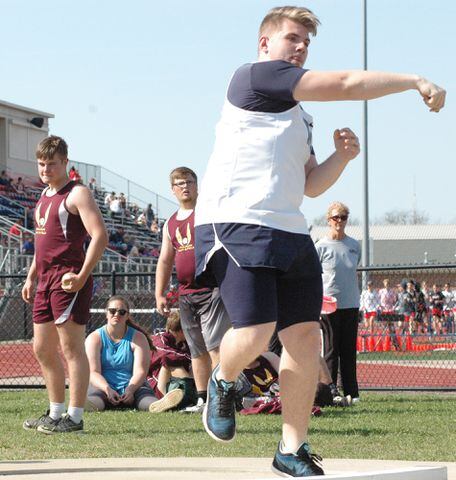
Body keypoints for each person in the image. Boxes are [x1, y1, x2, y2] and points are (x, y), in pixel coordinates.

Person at [193, 6, 444, 476]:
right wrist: (414, 80)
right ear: (265, 43)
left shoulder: (297, 116)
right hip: (237, 222)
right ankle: (225, 382)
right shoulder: (254, 77)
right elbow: (347, 84)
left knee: (305, 339)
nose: (301, 46)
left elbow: (310, 185)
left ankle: (291, 448)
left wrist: (342, 157)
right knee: (253, 332)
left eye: (307, 41)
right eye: (293, 38)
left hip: (289, 228)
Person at [22, 135, 108, 434]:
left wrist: (83, 275)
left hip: (68, 278)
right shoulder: (44, 196)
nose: (46, 169)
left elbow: (100, 235)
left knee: (71, 348)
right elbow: (41, 243)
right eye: (42, 164)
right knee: (42, 348)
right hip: (45, 280)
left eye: (52, 164)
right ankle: (55, 411)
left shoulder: (77, 193)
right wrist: (32, 276)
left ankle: (74, 417)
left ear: (65, 163)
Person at [155, 167, 231, 414]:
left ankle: (222, 398)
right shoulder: (171, 223)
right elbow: (165, 260)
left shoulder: (210, 212)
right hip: (186, 293)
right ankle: (203, 399)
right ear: (172, 189)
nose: (185, 186)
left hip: (213, 288)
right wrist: (160, 292)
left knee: (215, 347)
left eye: (189, 182)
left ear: (197, 186)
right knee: (196, 349)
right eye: (179, 183)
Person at [85, 296, 183, 412]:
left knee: (145, 399)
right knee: (96, 399)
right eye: (112, 311)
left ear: (127, 316)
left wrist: (130, 390)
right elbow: (93, 372)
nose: (116, 314)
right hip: (102, 386)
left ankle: (158, 405)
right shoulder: (94, 338)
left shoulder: (138, 338)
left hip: (134, 386)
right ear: (106, 314)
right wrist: (107, 390)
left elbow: (140, 371)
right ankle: (87, 405)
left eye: (121, 312)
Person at [316, 202, 361, 405]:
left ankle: (352, 392)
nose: (339, 221)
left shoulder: (354, 245)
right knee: (331, 350)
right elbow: (314, 277)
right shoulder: (321, 246)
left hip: (350, 304)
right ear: (328, 220)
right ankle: (330, 391)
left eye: (343, 217)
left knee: (349, 351)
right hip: (329, 306)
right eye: (336, 217)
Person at [147, 310, 197, 411]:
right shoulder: (159, 339)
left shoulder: (184, 343)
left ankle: (192, 396)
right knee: (170, 363)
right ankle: (163, 399)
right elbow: (166, 355)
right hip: (155, 380)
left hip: (176, 382)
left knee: (195, 363)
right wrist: (190, 358)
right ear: (181, 330)